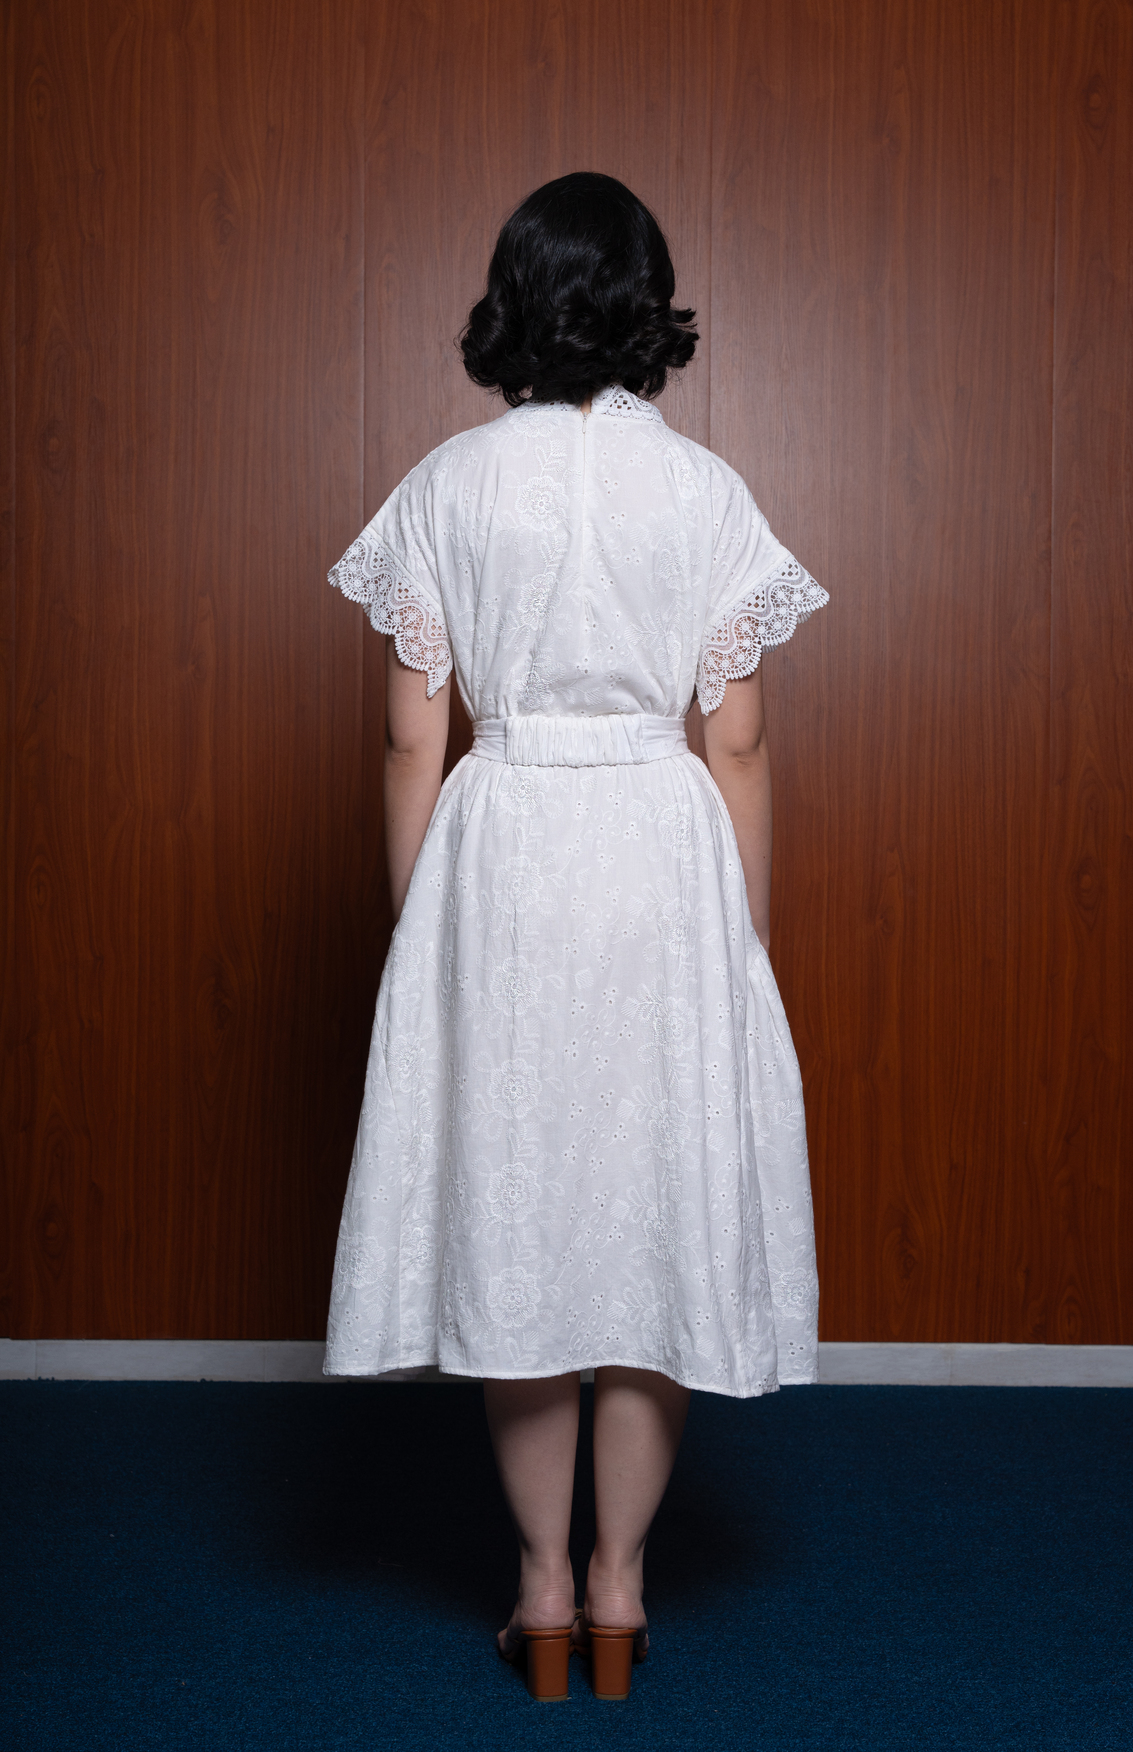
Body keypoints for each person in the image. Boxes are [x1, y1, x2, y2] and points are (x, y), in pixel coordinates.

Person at [323, 171, 827, 1701]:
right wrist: (742, 940)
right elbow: (736, 744)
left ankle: (539, 1591)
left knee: (525, 1230)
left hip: (509, 851)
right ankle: (620, 1588)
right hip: (660, 860)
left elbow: (413, 742)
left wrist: (422, 923)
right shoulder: (709, 494)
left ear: (513, 301)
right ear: (648, 302)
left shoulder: (446, 487)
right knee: (654, 1235)